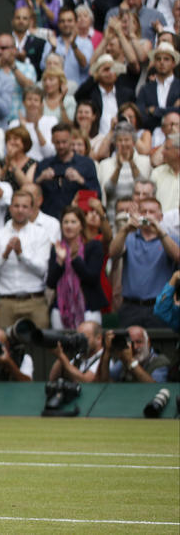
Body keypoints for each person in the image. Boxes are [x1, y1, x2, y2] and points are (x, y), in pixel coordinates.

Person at [108, 197, 180, 328]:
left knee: (161, 346)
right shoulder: (129, 238)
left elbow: (177, 256)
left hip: (160, 306)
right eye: (143, 212)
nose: (147, 215)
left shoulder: (171, 239)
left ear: (161, 216)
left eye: (152, 212)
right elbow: (113, 253)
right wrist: (125, 229)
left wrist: (159, 231)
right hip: (131, 307)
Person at [0, 190, 51, 329]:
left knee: (39, 348)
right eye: (16, 206)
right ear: (10, 208)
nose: (20, 210)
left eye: (25, 206)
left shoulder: (41, 234)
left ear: (32, 210)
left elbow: (43, 269)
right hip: (6, 302)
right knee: (5, 347)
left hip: (35, 301)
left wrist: (21, 254)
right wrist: (4, 255)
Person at [35, 123, 100, 217]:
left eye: (64, 142)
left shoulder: (86, 164)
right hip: (49, 218)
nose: (61, 146)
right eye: (57, 142)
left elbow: (97, 193)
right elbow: (31, 193)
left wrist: (80, 180)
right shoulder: (44, 164)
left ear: (71, 140)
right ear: (52, 141)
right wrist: (41, 179)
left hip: (78, 218)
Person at [97, 326, 171, 382]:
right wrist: (107, 351)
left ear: (148, 343)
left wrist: (131, 362)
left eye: (138, 342)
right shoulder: (123, 360)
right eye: (131, 343)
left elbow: (155, 387)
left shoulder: (160, 362)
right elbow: (105, 382)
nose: (135, 347)